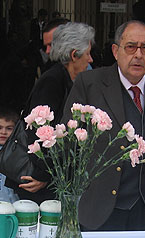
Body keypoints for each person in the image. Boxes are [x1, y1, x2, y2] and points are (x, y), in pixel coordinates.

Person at [62, 20, 145, 231]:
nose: (138, 54)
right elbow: (68, 138)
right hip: (100, 208)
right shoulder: (90, 84)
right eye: (131, 47)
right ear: (115, 50)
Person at [16, 22, 95, 204]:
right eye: (88, 53)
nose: (91, 59)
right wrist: (43, 174)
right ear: (74, 55)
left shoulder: (72, 80)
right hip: (41, 182)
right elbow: (40, 131)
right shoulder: (52, 81)